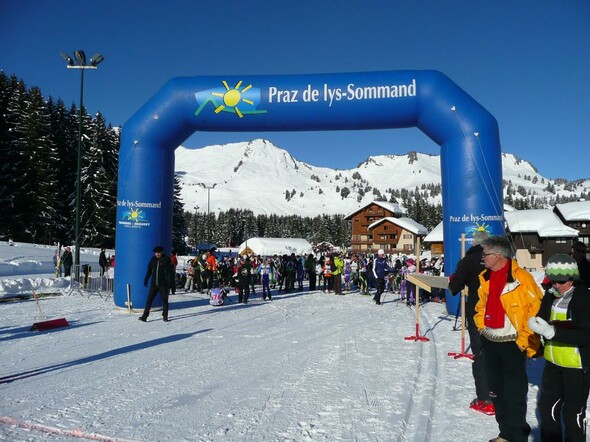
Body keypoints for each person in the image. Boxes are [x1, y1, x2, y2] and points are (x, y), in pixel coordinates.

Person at [474, 236, 542, 442]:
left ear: (498, 256)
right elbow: (480, 306)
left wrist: (523, 341)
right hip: (490, 340)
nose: (482, 258)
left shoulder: (522, 279)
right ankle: (505, 433)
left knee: (514, 394)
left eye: (485, 254)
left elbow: (534, 312)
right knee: (496, 391)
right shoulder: (485, 277)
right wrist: (481, 327)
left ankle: (517, 435)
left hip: (512, 342)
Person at [528, 253, 590, 442]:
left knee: (573, 415)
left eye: (561, 281)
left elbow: (585, 334)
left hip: (576, 367)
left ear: (573, 278)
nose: (556, 285)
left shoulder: (584, 297)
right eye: (553, 280)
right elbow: (543, 318)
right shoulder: (551, 295)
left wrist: (553, 332)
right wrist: (536, 324)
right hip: (553, 363)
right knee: (548, 410)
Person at [448, 230, 494, 415]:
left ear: (474, 244)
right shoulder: (499, 259)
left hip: (477, 311)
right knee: (497, 353)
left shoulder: (468, 261)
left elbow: (454, 287)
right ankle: (498, 394)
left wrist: (455, 280)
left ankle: (486, 399)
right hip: (499, 311)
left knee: (480, 354)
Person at [139, 246, 173, 322]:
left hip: (163, 284)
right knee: (149, 300)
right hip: (154, 284)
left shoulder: (166, 259)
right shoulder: (153, 259)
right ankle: (144, 316)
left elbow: (170, 273)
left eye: (159, 252)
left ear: (162, 252)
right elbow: (149, 270)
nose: (158, 254)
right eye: (156, 253)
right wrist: (146, 279)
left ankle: (165, 316)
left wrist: (170, 283)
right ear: (154, 253)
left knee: (164, 300)